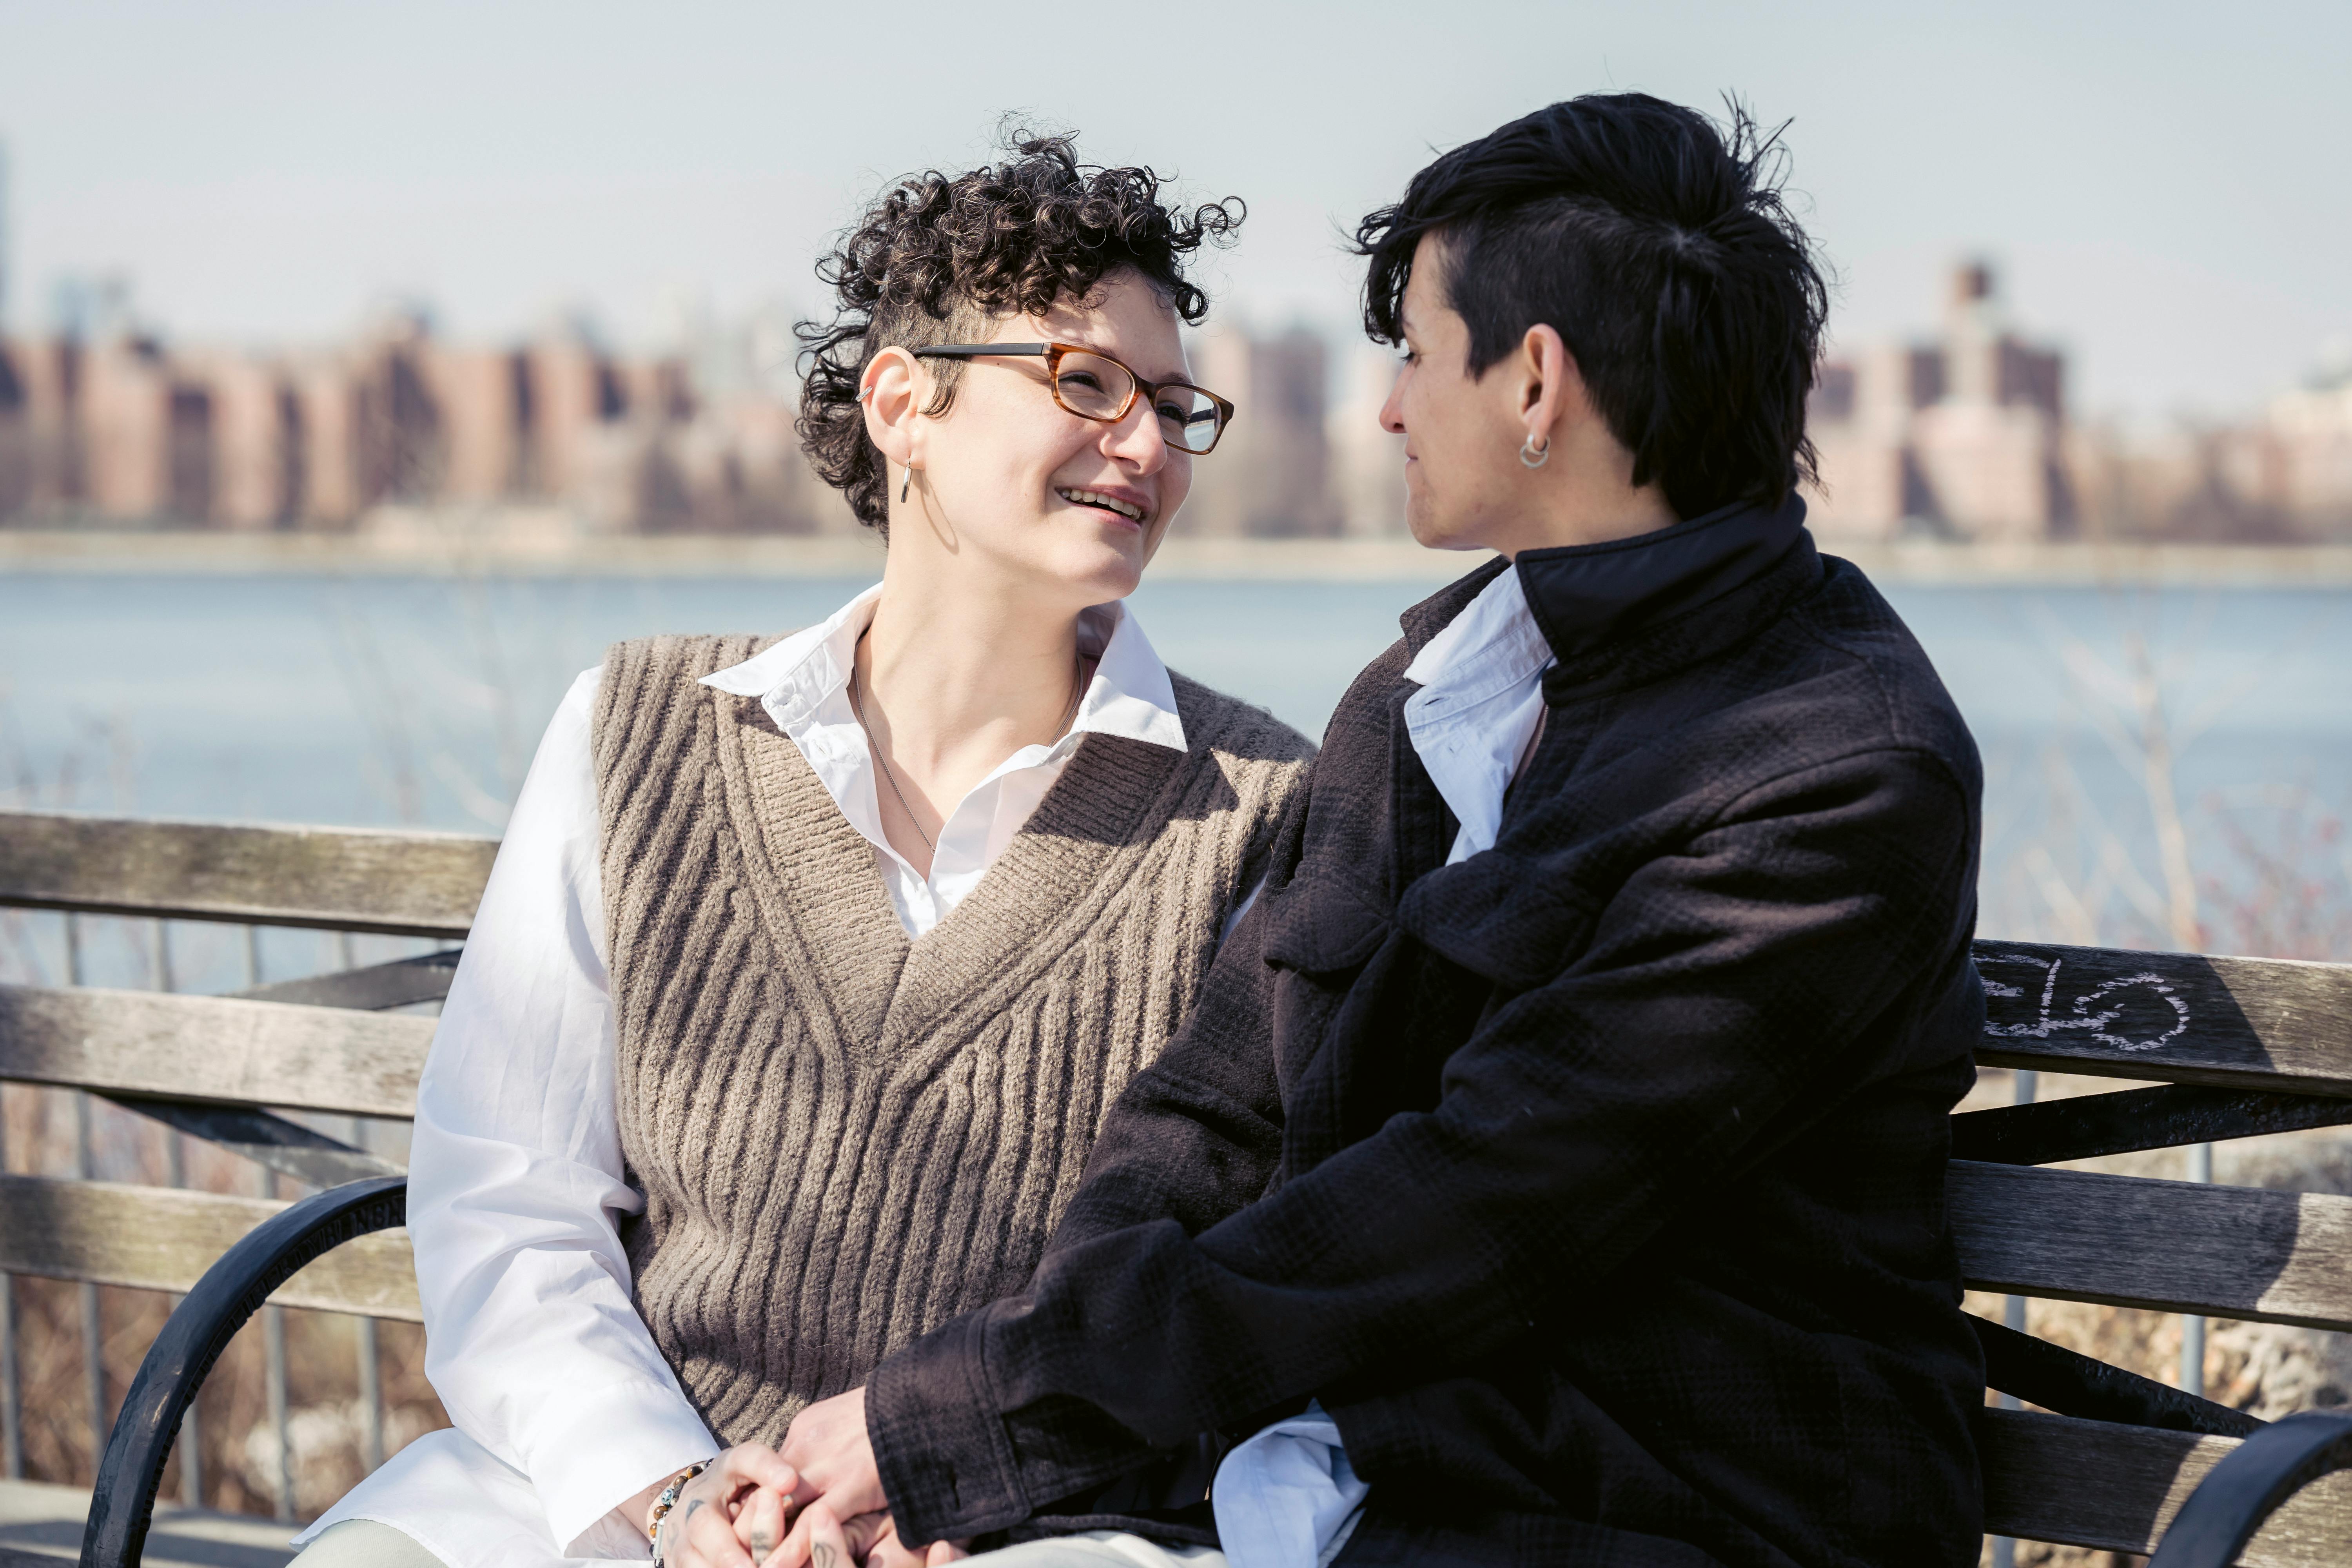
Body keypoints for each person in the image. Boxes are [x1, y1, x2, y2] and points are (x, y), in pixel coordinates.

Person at [750, 94, 1989, 1568]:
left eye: (1415, 349)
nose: (1391, 405)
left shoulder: (1838, 772)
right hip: (1324, 1490)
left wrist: (970, 1423)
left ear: (1535, 386)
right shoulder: (1430, 692)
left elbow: (1478, 1199)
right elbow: (1211, 1117)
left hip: (1644, 1518)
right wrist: (1011, 1460)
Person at [282, 133, 1314, 1568]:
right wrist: (681, 1499)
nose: (1145, 446)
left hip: (1030, 1535)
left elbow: (1247, 1288)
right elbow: (509, 1204)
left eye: (1174, 407)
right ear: (905, 403)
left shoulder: (1265, 809)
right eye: (1086, 382)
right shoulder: (637, 733)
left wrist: (954, 1496)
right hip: (623, 1499)